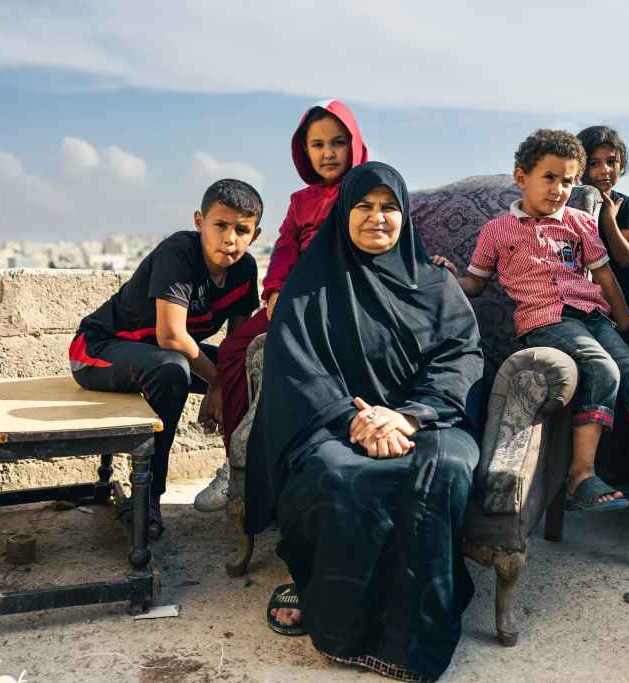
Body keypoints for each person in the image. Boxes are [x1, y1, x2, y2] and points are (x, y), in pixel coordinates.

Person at [245, 162, 483, 682]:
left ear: (405, 216)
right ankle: (333, 610)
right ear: (344, 214)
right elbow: (296, 363)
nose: (377, 217)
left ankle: (414, 633)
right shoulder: (310, 283)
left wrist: (407, 416)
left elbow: (462, 355)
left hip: (430, 421)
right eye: (364, 206)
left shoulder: (436, 284)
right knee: (336, 475)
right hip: (332, 422)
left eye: (389, 207)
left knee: (441, 473)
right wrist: (353, 418)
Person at [431, 129, 629, 512]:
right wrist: (450, 276)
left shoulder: (580, 222)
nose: (559, 189)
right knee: (603, 368)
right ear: (522, 178)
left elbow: (604, 277)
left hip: (593, 317)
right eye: (549, 178)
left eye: (567, 181)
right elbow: (476, 284)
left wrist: (625, 323)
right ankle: (581, 474)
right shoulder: (496, 231)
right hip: (545, 322)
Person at [194, 99, 369, 512]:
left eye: (338, 142)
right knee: (234, 348)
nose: (328, 153)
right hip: (293, 298)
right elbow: (286, 247)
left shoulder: (366, 191)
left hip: (342, 298)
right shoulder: (300, 200)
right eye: (317, 145)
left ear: (354, 144)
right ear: (304, 151)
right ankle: (236, 463)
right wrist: (274, 292)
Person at [69, 179, 262, 538]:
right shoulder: (180, 252)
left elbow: (238, 347)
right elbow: (171, 336)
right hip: (99, 350)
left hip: (162, 356)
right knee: (172, 369)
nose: (229, 239)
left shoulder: (245, 270)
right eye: (220, 225)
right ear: (200, 221)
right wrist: (218, 381)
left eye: (242, 230)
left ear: (255, 234)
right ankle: (147, 498)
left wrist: (226, 381)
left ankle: (244, 479)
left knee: (255, 369)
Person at [577, 125, 629, 314]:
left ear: (622, 164)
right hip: (582, 298)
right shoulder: (568, 204)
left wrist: (609, 219)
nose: (605, 170)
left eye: (611, 161)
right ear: (579, 166)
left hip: (622, 297)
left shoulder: (624, 204)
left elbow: (625, 259)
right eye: (594, 163)